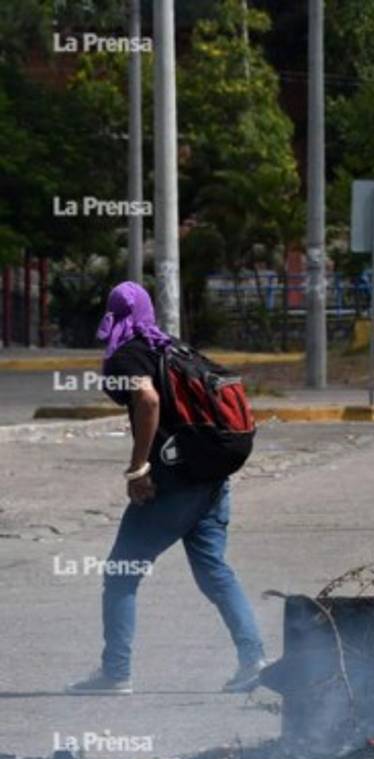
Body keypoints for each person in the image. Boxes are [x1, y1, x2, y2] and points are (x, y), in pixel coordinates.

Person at [67, 282, 265, 695]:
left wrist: (139, 468)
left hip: (174, 483)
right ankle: (254, 659)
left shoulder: (125, 356)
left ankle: (116, 673)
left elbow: (148, 400)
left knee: (121, 574)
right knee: (214, 569)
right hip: (211, 474)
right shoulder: (172, 346)